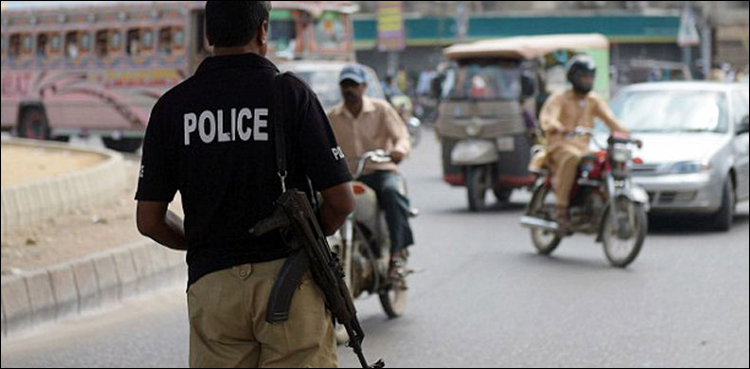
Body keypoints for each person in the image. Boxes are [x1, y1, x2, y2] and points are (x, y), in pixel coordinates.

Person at [135, 2, 354, 367]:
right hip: (289, 281)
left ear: (207, 35)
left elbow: (149, 221)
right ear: (263, 31)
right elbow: (342, 201)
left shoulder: (171, 107)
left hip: (212, 285)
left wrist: (206, 244)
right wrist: (311, 239)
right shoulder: (290, 95)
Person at [327, 64, 415, 284]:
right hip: (346, 177)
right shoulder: (331, 117)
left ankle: (396, 257)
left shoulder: (381, 109)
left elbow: (402, 136)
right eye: (345, 85)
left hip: (380, 171)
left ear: (364, 87)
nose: (350, 90)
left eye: (354, 85)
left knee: (392, 194)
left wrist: (398, 151)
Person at [539, 55, 629, 233]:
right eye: (584, 77)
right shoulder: (560, 98)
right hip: (560, 146)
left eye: (590, 77)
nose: (588, 81)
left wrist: (628, 135)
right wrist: (558, 127)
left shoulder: (593, 100)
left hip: (584, 148)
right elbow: (548, 118)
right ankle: (561, 208)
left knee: (603, 162)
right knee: (572, 157)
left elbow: (611, 120)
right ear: (573, 77)